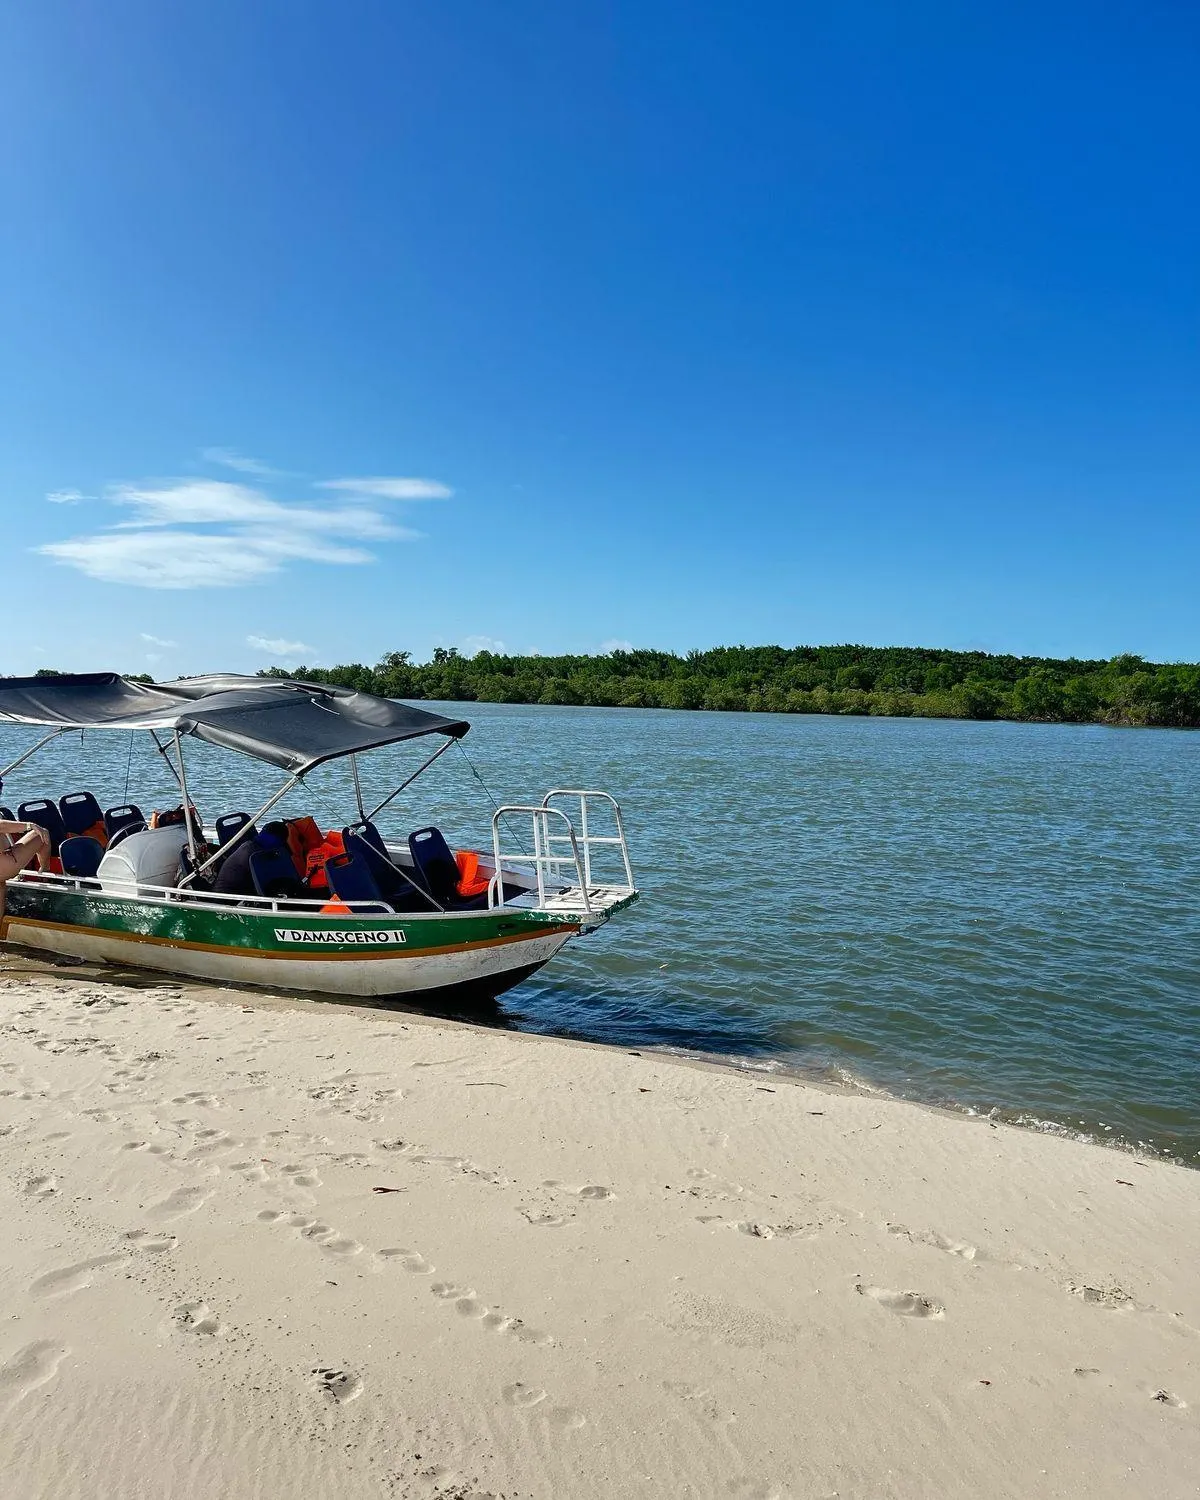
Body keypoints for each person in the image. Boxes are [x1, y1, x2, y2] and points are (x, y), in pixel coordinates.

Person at [0, 818, 53, 917]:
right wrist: (30, 825)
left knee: (1, 885)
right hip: (5, 864)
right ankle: (45, 873)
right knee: (41, 834)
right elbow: (1, 825)